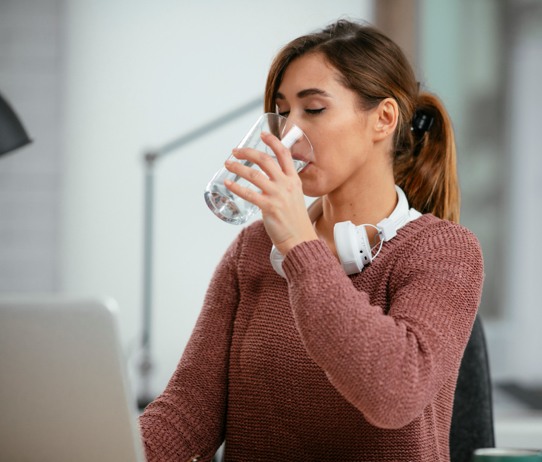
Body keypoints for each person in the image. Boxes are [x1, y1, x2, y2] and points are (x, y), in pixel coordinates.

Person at [139, 19, 484, 462]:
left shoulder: (443, 251)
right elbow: (189, 411)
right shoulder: (252, 251)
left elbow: (396, 393)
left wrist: (301, 247)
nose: (287, 133)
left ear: (383, 119)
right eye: (282, 113)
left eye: (314, 110)